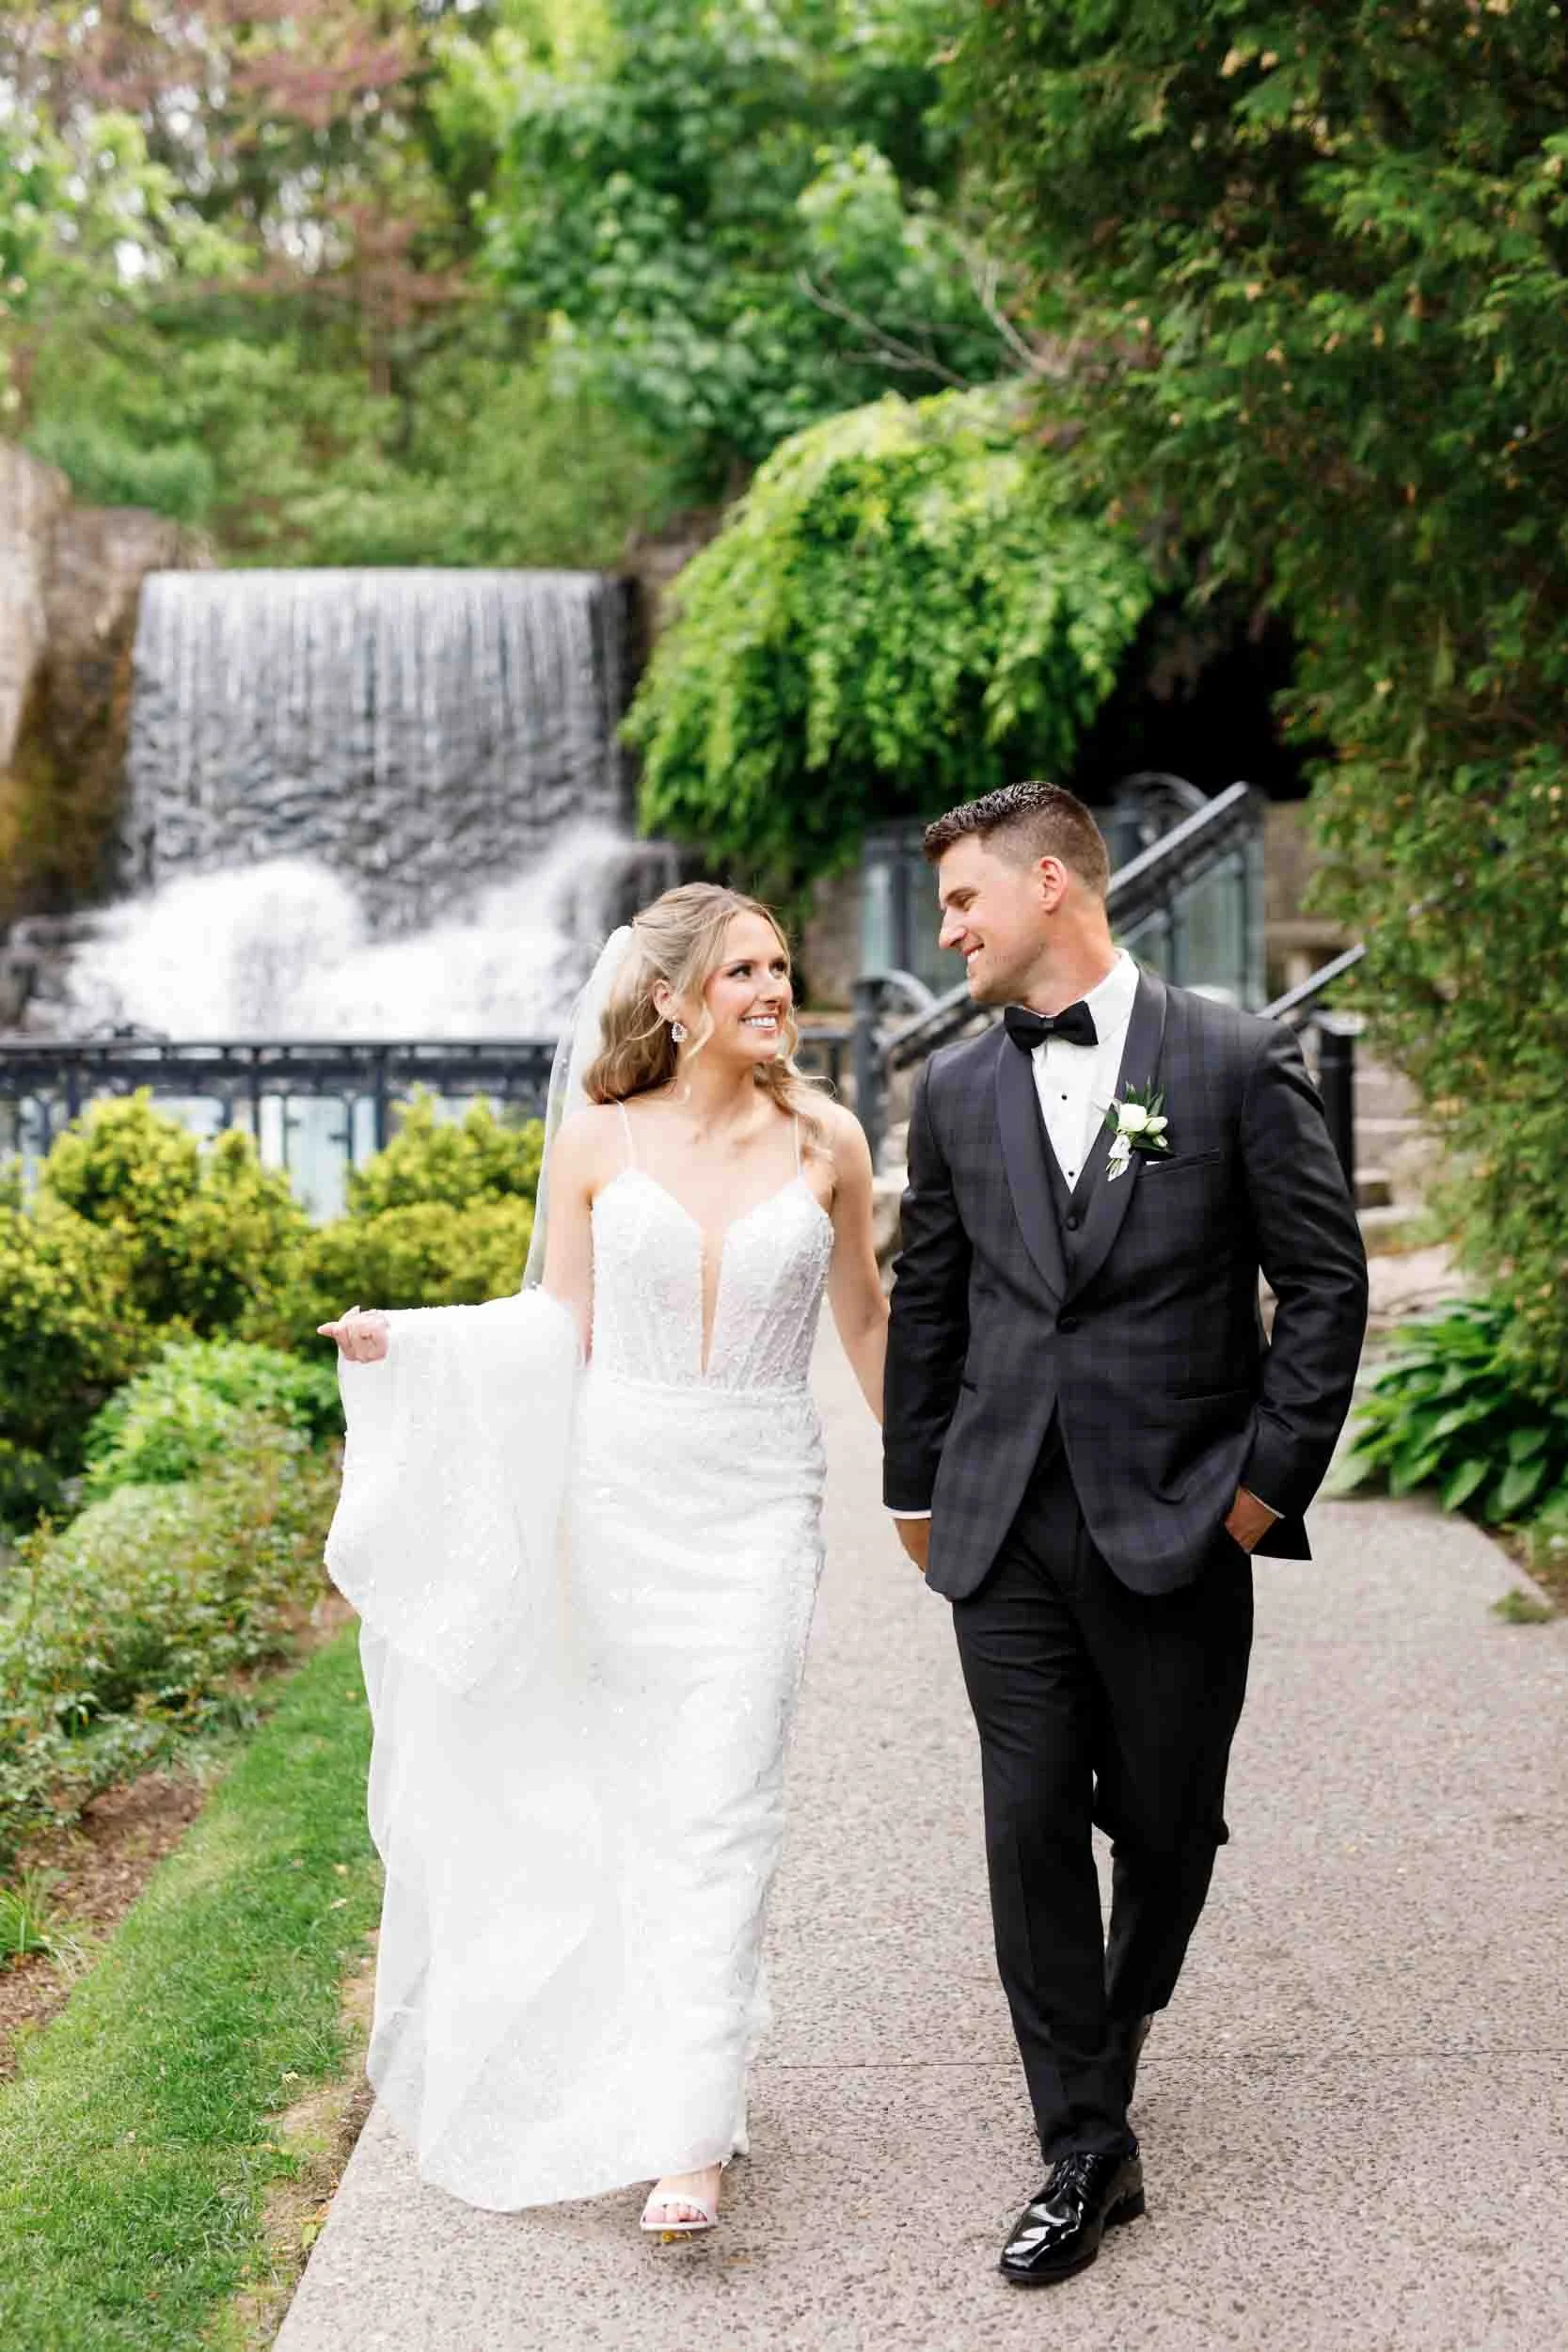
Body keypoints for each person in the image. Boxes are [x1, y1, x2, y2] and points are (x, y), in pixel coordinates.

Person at [320, 882, 886, 2234]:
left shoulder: (827, 1142)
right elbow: (551, 1324)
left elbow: (869, 1325)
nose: (772, 991)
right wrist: (419, 1345)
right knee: (637, 1803)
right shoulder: (594, 1141)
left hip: (757, 1505)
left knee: (722, 1804)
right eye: (743, 972)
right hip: (620, 1501)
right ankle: (665, 2078)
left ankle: (688, 2140)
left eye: (780, 969)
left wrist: (935, 1489)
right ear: (674, 1003)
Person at [883, 781, 1368, 2287]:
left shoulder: (1228, 1058)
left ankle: (1119, 2011)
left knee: (1163, 1824)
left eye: (963, 900)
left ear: (1047, 885)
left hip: (1176, 1516)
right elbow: (934, 1308)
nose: (947, 929)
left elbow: (1325, 1283)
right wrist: (915, 1489)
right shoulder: (953, 1094)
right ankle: (1084, 2140)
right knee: (1028, 1818)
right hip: (1002, 1521)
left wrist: (1261, 1487)